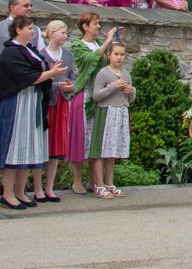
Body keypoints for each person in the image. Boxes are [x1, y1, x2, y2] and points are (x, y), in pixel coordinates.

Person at [1, 15, 65, 208]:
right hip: (17, 103)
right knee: (15, 147)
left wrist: (50, 73)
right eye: (29, 28)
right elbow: (26, 77)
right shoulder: (11, 52)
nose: (33, 31)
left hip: (32, 102)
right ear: (18, 30)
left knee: (26, 146)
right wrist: (50, 74)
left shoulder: (28, 50)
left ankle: (20, 191)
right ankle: (8, 193)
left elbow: (38, 72)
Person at [68, 11, 114, 193]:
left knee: (94, 138)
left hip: (98, 95)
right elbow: (91, 60)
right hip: (84, 93)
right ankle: (76, 180)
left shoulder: (96, 44)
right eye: (96, 23)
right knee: (81, 137)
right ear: (85, 26)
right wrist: (107, 42)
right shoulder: (78, 45)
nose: (99, 27)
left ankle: (94, 179)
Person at [89, 40, 137, 197]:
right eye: (116, 54)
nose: (119, 57)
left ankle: (110, 182)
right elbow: (96, 95)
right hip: (106, 113)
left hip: (120, 113)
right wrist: (113, 86)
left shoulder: (126, 73)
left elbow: (130, 99)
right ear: (109, 55)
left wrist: (131, 91)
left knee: (112, 150)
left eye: (122, 54)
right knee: (101, 149)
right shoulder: (104, 73)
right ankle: (99, 184)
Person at [39, 19, 76, 202]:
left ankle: (49, 187)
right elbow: (38, 81)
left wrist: (70, 85)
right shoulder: (41, 55)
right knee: (42, 145)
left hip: (62, 104)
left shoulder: (67, 55)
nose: (65, 36)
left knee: (56, 147)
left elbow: (73, 77)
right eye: (62, 32)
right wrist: (56, 85)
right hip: (46, 104)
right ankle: (38, 188)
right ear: (52, 32)